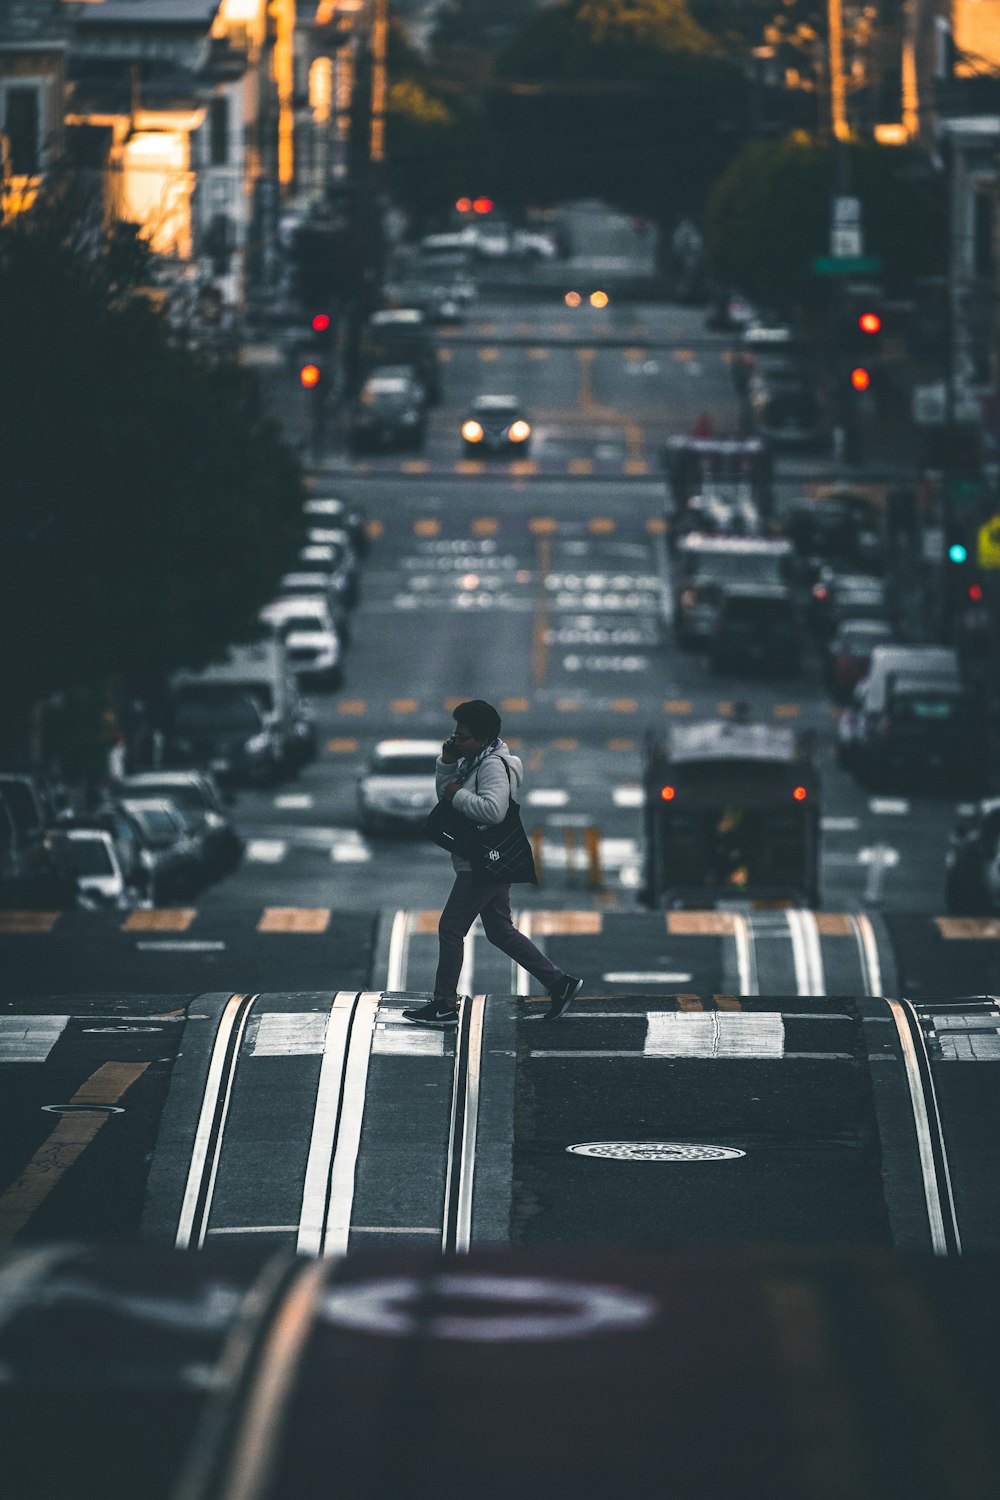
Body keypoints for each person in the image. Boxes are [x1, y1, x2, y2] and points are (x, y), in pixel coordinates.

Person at [403, 699, 583, 1027]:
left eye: (464, 737)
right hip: (486, 861)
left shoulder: (491, 766)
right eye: (455, 734)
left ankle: (444, 1004)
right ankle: (560, 983)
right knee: (500, 930)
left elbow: (493, 810)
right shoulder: (472, 760)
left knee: (451, 927)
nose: (458, 741)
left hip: (484, 863)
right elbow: (447, 794)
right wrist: (447, 762)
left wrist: (457, 792)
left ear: (483, 738)